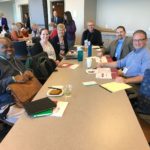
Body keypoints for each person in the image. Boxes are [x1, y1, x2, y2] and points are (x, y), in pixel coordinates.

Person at [0, 37, 33, 108]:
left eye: (11, 46)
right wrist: (13, 79)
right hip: (8, 102)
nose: (9, 49)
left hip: (27, 93)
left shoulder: (14, 59)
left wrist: (28, 71)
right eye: (4, 47)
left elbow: (25, 69)